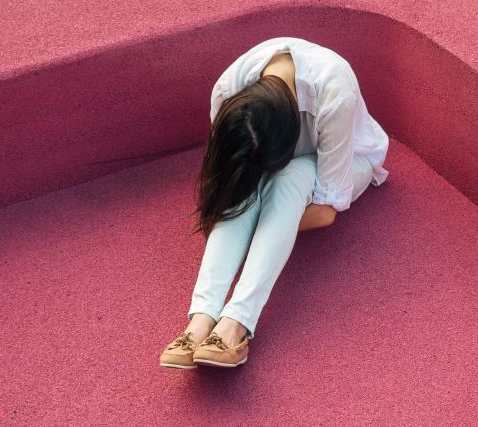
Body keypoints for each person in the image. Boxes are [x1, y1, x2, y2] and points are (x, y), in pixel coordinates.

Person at [159, 37, 390, 369]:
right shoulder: (229, 92)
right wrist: (244, 204)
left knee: (291, 176)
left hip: (350, 162)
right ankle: (200, 321)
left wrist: (263, 221)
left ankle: (236, 322)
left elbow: (325, 212)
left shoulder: (333, 91)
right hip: (285, 164)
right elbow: (228, 178)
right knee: (240, 194)